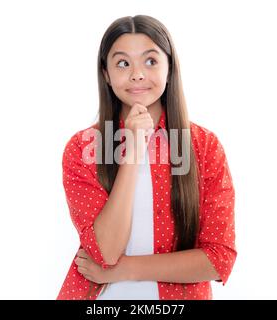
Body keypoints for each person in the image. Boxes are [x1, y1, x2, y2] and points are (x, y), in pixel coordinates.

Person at [56, 15, 236, 300]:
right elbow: (105, 251)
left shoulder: (204, 146)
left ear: (169, 67)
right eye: (123, 63)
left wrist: (122, 270)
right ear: (106, 73)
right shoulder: (82, 149)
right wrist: (134, 150)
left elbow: (218, 259)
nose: (137, 74)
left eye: (150, 61)